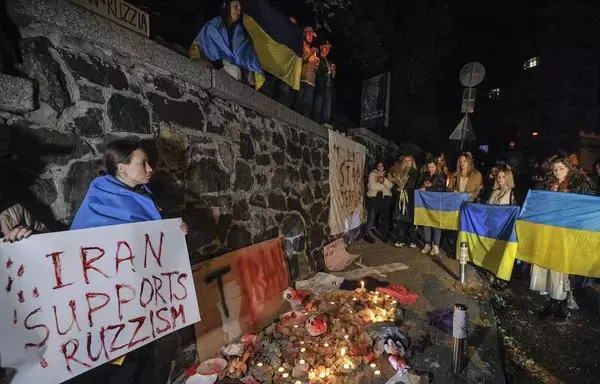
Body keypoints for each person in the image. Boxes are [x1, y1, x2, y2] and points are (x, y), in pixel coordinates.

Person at [69, 140, 188, 383]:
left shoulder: (142, 195)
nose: (150, 168)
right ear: (122, 168)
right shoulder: (102, 196)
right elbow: (84, 245)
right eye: (143, 163)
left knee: (141, 358)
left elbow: (150, 240)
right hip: (108, 301)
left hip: (139, 296)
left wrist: (176, 232)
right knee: (116, 368)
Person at [529, 155, 594, 320]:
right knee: (550, 268)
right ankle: (553, 303)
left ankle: (563, 306)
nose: (557, 172)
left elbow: (583, 209)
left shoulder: (576, 187)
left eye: (561, 169)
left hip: (567, 234)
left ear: (569, 169)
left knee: (563, 271)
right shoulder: (549, 186)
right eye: (555, 169)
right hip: (550, 233)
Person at [191, 0, 263, 86]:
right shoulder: (213, 26)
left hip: (234, 68)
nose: (238, 11)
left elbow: (245, 52)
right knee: (233, 72)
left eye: (240, 9)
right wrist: (224, 61)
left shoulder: (241, 31)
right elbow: (203, 47)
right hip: (216, 64)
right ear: (226, 5)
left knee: (241, 74)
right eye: (235, 7)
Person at [388, 155, 419, 248]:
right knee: (400, 218)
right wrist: (396, 188)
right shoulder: (399, 171)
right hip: (400, 198)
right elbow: (394, 183)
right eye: (406, 160)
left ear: (412, 162)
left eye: (410, 160)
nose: (408, 162)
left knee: (411, 219)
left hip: (410, 198)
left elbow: (412, 183)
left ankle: (413, 241)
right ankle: (400, 240)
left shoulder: (415, 172)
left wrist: (403, 188)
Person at [418, 157, 446, 255]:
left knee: (435, 224)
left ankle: (436, 246)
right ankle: (427, 244)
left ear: (436, 166)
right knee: (426, 223)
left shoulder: (440, 175)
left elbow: (442, 189)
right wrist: (422, 186)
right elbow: (419, 184)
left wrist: (428, 188)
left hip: (436, 203)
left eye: (432, 167)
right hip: (425, 203)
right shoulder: (425, 175)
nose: (430, 169)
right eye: (429, 167)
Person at [364, 160, 393, 243]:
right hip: (374, 198)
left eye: (382, 166)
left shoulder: (388, 174)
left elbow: (391, 186)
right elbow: (372, 186)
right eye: (378, 166)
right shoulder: (372, 174)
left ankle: (384, 235)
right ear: (376, 166)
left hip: (385, 198)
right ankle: (367, 234)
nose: (380, 168)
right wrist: (384, 186)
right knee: (371, 216)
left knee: (385, 218)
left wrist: (384, 181)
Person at [294, 26, 319, 117]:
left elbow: (316, 69)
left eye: (312, 36)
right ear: (304, 34)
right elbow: (302, 58)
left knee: (307, 105)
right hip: (302, 78)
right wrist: (311, 52)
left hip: (311, 82)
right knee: (299, 101)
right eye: (309, 34)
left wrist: (316, 66)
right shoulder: (302, 44)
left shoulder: (311, 50)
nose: (311, 37)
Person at [312, 40, 335, 125]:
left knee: (327, 108)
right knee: (318, 104)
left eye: (328, 48)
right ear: (321, 47)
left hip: (329, 87)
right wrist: (327, 70)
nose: (327, 49)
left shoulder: (328, 61)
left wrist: (333, 73)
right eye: (325, 47)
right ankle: (315, 123)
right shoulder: (317, 57)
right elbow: (317, 71)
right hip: (321, 85)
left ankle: (325, 124)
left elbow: (331, 76)